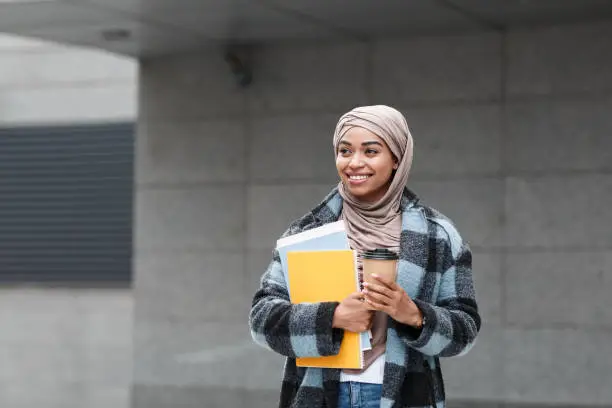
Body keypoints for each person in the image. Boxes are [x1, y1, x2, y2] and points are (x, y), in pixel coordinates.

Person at [249, 105, 480, 408]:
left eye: (371, 152)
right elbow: (261, 321)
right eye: (345, 151)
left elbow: (465, 330)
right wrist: (331, 317)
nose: (354, 163)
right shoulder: (307, 232)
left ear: (397, 158)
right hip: (318, 396)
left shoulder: (438, 236)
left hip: (405, 397)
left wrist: (413, 315)